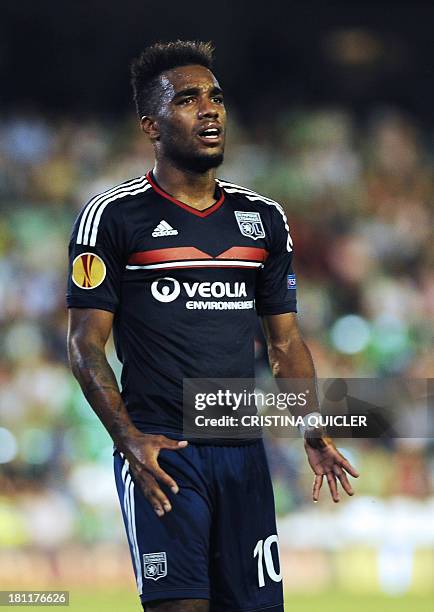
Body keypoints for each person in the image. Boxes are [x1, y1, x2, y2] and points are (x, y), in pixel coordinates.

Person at [67, 40, 358, 612]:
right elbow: (84, 344)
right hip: (163, 452)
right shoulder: (112, 216)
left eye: (217, 97)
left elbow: (286, 343)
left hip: (242, 451)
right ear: (151, 124)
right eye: (189, 99)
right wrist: (127, 439)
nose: (210, 109)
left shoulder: (264, 220)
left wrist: (313, 430)